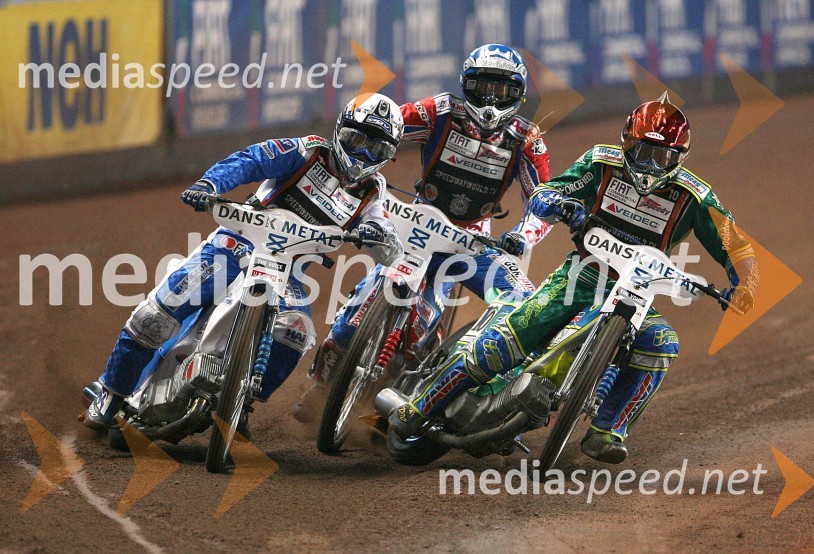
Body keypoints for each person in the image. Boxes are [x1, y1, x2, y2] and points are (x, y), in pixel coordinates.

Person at [386, 92, 759, 463]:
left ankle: (608, 431)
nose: (650, 165)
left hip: (635, 295)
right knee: (500, 344)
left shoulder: (695, 196)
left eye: (662, 157)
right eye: (643, 153)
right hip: (578, 278)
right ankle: (417, 408)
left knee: (662, 341)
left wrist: (745, 286)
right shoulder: (600, 161)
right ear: (626, 144)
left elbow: (737, 246)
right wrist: (557, 204)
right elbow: (549, 191)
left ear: (680, 158)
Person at [83, 94, 405, 431]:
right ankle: (112, 392)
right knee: (156, 315)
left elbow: (384, 229)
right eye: (357, 140)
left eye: (376, 150)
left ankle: (239, 399)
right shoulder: (307, 152)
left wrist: (376, 233)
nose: (363, 154)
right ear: (340, 130)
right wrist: (210, 184)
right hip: (237, 244)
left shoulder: (372, 190)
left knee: (296, 333)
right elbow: (250, 160)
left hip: (288, 271)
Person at [291, 44, 553, 421]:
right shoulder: (437, 112)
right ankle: (322, 385)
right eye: (484, 87)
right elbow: (380, 125)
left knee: (527, 306)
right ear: (466, 84)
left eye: (504, 91)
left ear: (519, 95)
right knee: (351, 322)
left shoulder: (528, 140)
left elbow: (542, 200)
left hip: (472, 243)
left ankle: (493, 401)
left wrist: (524, 237)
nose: (492, 100)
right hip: (417, 228)